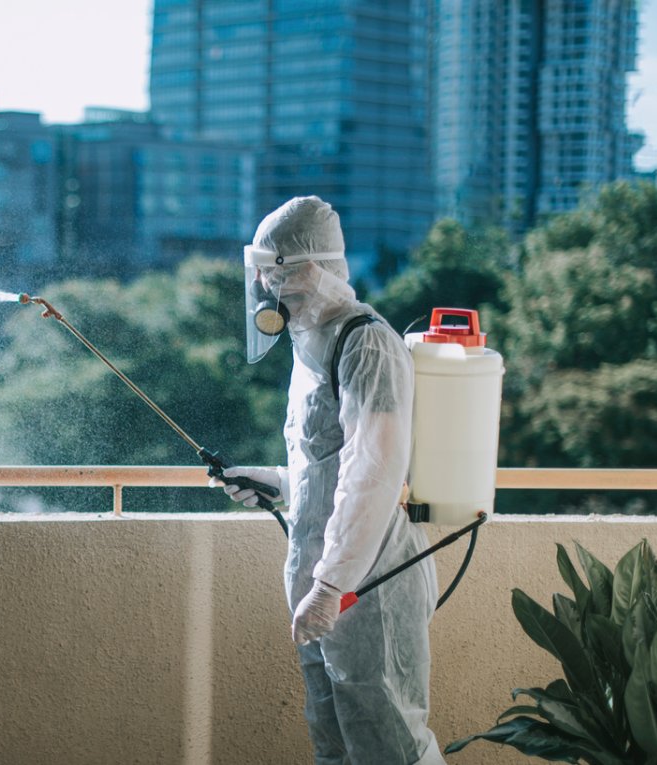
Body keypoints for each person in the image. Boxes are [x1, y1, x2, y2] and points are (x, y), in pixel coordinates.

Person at [212, 196, 445, 764]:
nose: (270, 289)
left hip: (370, 584)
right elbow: (330, 464)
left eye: (281, 273)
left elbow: (375, 470)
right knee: (336, 742)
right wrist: (279, 481)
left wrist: (332, 584)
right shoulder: (309, 344)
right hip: (328, 580)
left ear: (315, 268)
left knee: (390, 743)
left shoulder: (366, 341)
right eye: (265, 275)